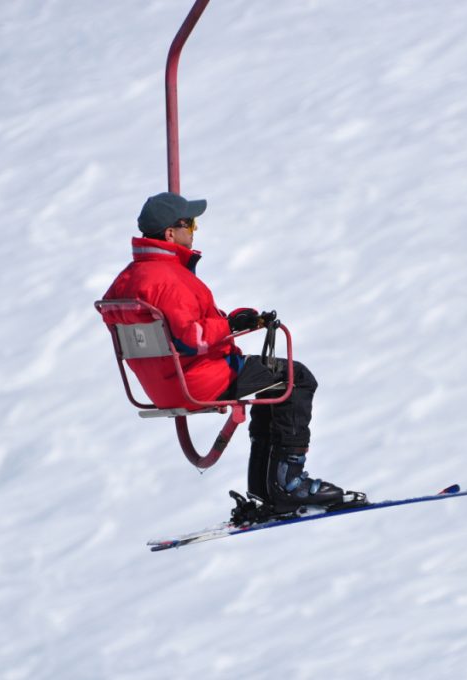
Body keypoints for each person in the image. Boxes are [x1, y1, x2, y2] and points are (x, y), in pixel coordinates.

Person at [104, 191, 354, 513]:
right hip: (197, 380)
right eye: (190, 224)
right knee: (296, 378)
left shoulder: (126, 279)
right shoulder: (169, 280)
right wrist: (229, 326)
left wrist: (229, 321)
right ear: (170, 233)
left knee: (268, 385)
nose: (194, 231)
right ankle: (289, 482)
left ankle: (267, 488)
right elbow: (191, 337)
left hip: (162, 384)